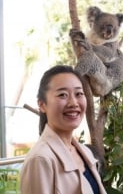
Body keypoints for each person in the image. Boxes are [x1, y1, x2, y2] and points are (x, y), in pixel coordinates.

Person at [20, 65, 107, 194]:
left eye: (79, 94)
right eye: (62, 95)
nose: (73, 103)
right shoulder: (40, 159)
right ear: (42, 105)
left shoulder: (85, 152)